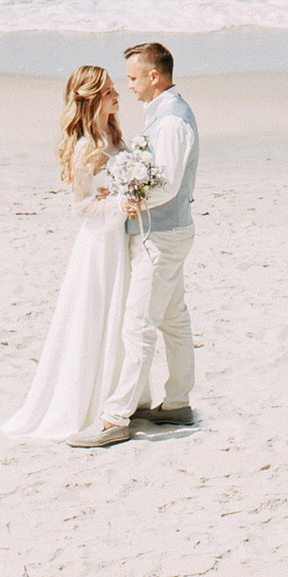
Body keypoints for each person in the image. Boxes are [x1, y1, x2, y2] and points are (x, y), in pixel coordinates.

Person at [0, 63, 136, 444]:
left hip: (119, 238)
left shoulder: (113, 132)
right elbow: (80, 207)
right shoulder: (86, 146)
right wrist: (118, 204)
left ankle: (116, 395)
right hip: (98, 244)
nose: (117, 94)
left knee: (120, 314)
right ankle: (86, 403)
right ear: (90, 98)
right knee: (93, 317)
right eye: (109, 91)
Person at [102, 39, 197, 437]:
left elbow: (168, 185)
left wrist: (128, 196)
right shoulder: (162, 114)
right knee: (173, 319)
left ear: (154, 77)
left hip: (163, 234)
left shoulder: (172, 120)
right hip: (167, 231)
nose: (130, 85)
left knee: (138, 323)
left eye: (134, 77)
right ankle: (177, 402)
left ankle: (117, 415)